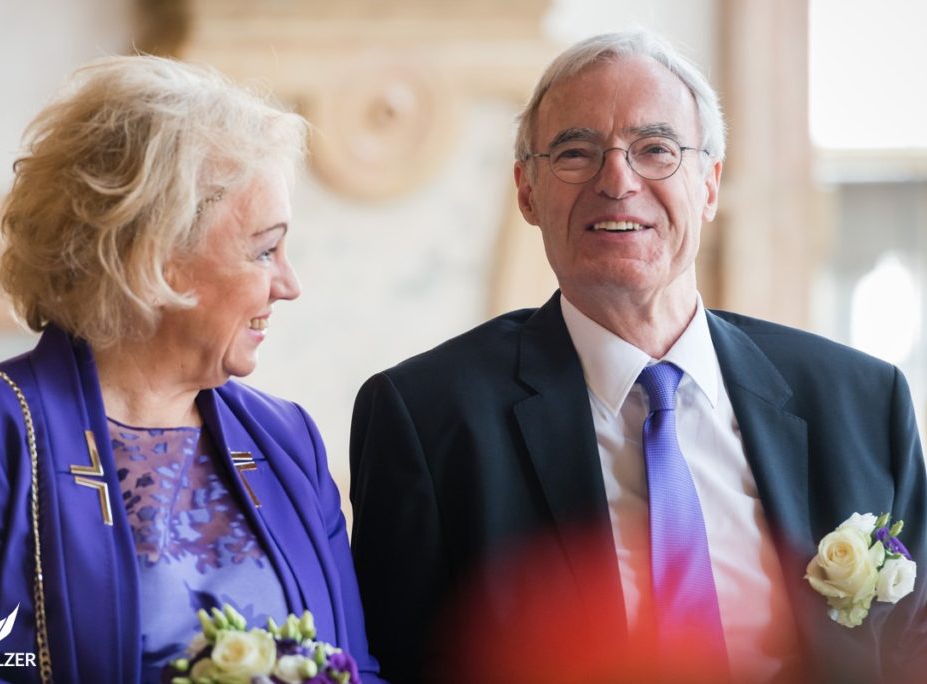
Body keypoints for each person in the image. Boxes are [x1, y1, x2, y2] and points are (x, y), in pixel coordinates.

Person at [349, 30, 926, 684]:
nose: (617, 181)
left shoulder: (860, 401)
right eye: (575, 151)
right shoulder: (428, 419)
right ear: (527, 191)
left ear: (709, 184)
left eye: (655, 149)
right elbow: (395, 666)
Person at [0, 55, 381, 683]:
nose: (289, 285)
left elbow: (358, 670)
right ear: (154, 259)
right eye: (264, 250)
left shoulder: (289, 440)